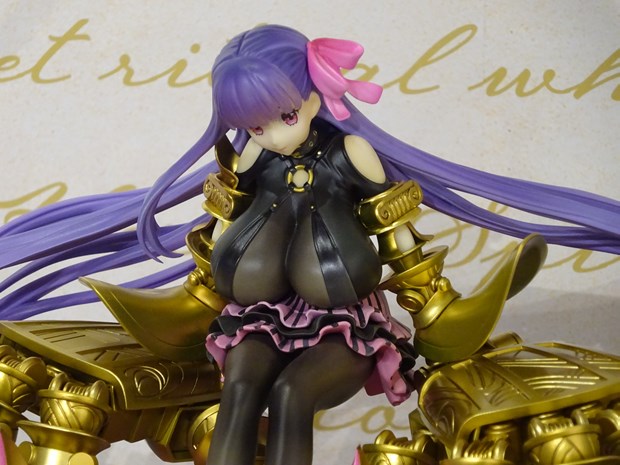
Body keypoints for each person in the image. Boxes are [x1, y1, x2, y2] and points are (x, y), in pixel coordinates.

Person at [0, 25, 618, 465]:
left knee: (292, 396)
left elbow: (395, 234)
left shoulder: (352, 155)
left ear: (316, 96)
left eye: (284, 117)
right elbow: (224, 230)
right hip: (261, 316)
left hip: (343, 324)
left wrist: (432, 304)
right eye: (255, 124)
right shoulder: (253, 157)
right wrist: (205, 285)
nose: (271, 134)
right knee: (240, 386)